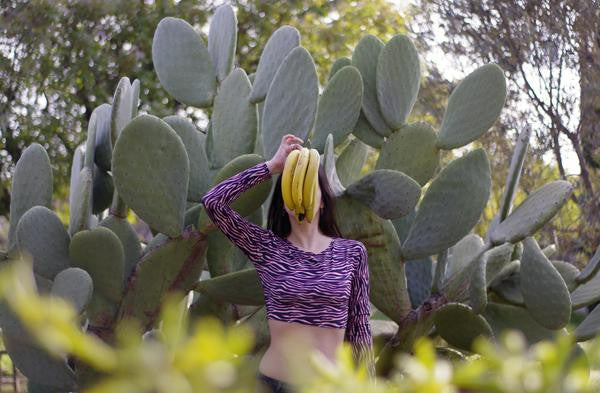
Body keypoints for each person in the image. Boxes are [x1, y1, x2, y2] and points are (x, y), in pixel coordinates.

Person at [201, 134, 375, 393]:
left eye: (308, 188)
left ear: (323, 200)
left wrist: (368, 384)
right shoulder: (267, 248)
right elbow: (213, 202)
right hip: (272, 383)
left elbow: (360, 323)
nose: (299, 195)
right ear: (282, 204)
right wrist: (271, 166)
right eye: (290, 190)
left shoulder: (351, 253)